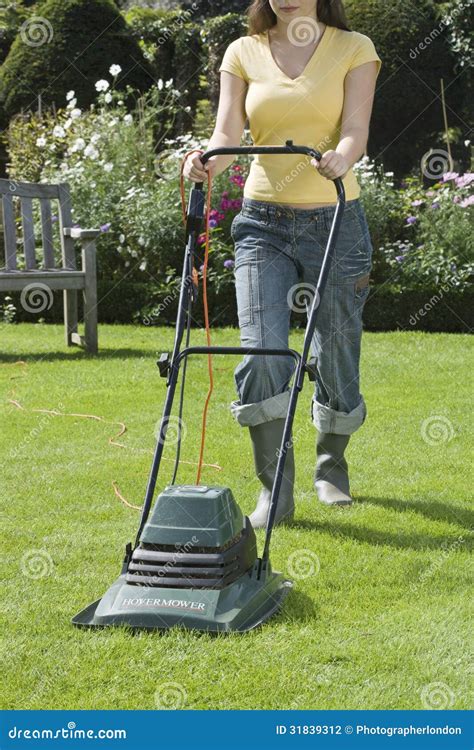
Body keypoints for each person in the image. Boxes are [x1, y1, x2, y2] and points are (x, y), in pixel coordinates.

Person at [183, 0, 382, 527]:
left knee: (336, 348)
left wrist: (343, 153)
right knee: (262, 348)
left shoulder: (354, 47)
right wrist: (206, 161)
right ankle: (276, 491)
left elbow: (356, 129)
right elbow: (227, 133)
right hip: (261, 225)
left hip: (335, 220)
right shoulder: (243, 50)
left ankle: (330, 463)